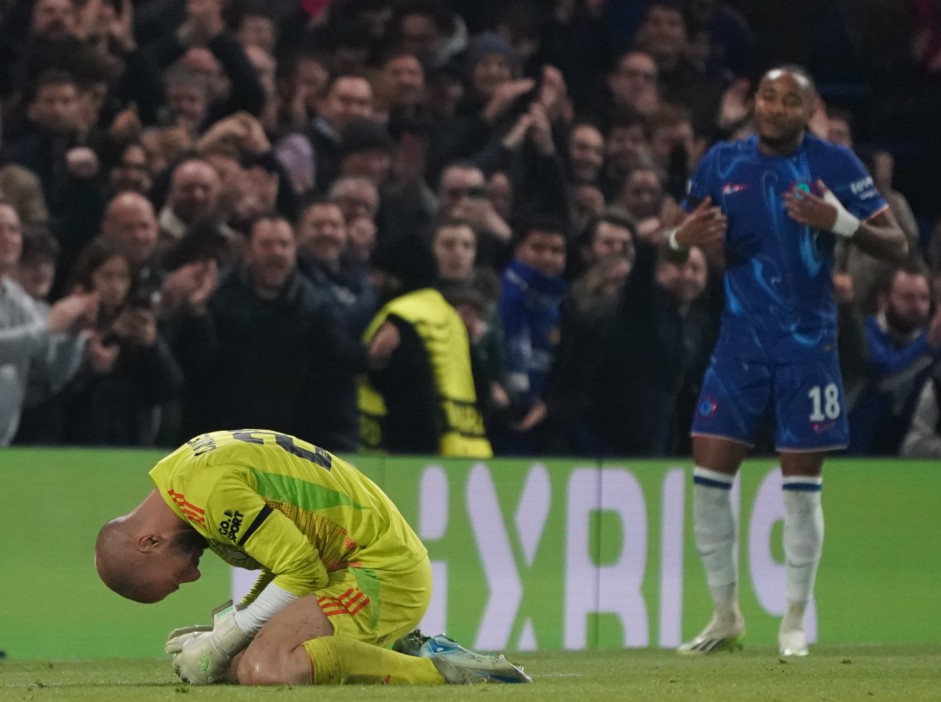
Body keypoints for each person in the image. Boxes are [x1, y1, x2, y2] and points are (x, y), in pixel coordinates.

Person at [671, 65, 908, 658]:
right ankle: (724, 615)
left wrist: (842, 223)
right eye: (767, 98)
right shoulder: (722, 162)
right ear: (754, 103)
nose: (774, 109)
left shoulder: (834, 165)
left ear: (810, 108)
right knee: (708, 478)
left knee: (800, 488)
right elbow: (681, 231)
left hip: (809, 344)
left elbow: (899, 245)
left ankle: (794, 622)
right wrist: (683, 238)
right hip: (739, 340)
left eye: (788, 101)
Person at [95, 429, 530, 686]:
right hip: (353, 563)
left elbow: (301, 570)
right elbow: (291, 561)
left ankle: (445, 671)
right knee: (247, 665)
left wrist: (224, 639)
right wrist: (232, 628)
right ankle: (405, 648)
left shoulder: (209, 496)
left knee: (267, 668)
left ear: (149, 543)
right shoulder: (181, 471)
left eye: (174, 579)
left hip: (381, 569)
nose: (191, 575)